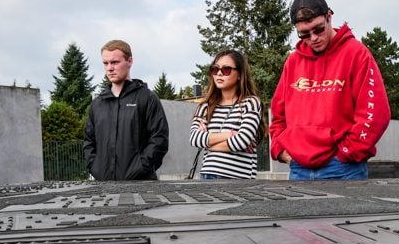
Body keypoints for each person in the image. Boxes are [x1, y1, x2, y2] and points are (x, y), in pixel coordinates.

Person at [269, 0, 391, 180]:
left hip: (343, 169)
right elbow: (278, 114)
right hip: (298, 168)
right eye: (304, 34)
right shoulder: (293, 62)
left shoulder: (356, 53)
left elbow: (375, 113)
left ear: (329, 16)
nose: (313, 38)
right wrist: (280, 149)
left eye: (318, 29)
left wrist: (346, 152)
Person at [84, 39, 169, 180]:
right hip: (104, 187)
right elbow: (89, 142)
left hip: (141, 187)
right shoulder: (97, 104)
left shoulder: (147, 98)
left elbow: (159, 139)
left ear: (129, 61)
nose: (109, 68)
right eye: (106, 63)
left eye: (115, 62)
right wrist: (95, 167)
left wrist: (141, 168)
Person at [189, 50, 264, 179]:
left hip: (236, 179)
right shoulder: (205, 107)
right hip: (207, 174)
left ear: (239, 74)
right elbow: (195, 139)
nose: (219, 73)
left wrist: (208, 144)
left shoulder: (250, 103)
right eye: (215, 69)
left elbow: (241, 141)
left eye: (226, 69)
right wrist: (229, 134)